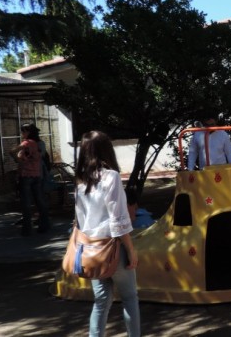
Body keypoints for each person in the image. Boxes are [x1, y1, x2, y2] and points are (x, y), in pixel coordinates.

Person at [74, 131, 140, 336]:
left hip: (92, 250)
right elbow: (118, 219)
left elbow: (80, 221)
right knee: (129, 297)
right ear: (107, 150)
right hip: (113, 248)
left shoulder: (81, 181)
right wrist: (131, 249)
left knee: (101, 302)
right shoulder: (111, 177)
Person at [9, 123, 49, 236]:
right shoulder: (39, 144)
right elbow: (40, 157)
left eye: (23, 131)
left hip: (26, 175)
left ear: (28, 132)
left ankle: (27, 228)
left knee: (26, 203)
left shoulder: (26, 143)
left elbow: (12, 152)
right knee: (40, 200)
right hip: (37, 174)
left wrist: (18, 160)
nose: (22, 134)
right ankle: (44, 224)